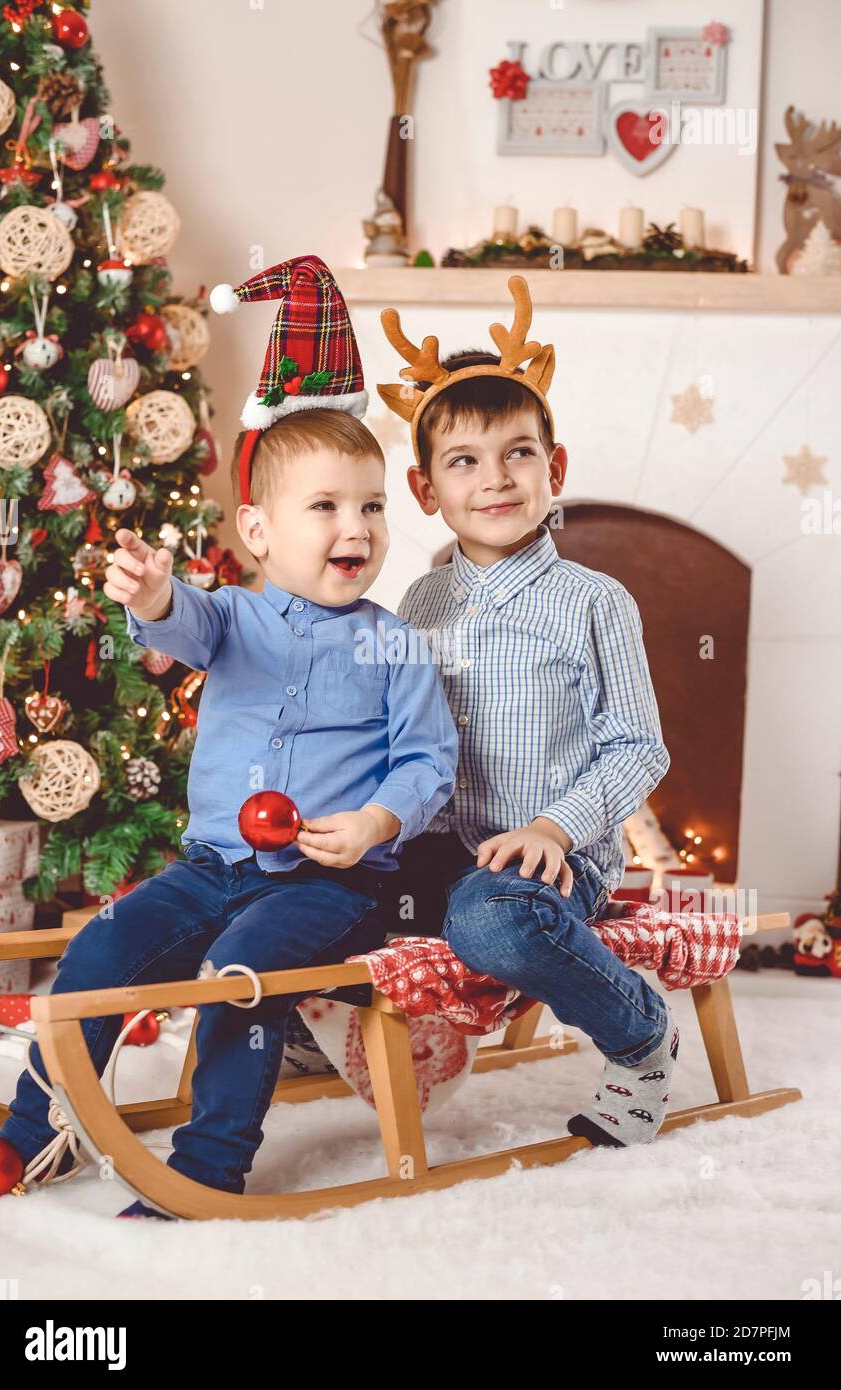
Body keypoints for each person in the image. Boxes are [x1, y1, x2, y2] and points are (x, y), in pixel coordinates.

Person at [0, 256, 456, 1217]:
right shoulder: (233, 616)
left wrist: (373, 823)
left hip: (330, 882)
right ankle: (39, 1135)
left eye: (369, 506)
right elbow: (179, 621)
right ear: (257, 527)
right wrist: (154, 593)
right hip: (210, 861)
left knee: (239, 979)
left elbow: (427, 760)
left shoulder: (394, 642)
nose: (354, 526)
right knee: (99, 954)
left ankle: (208, 1163)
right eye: (323, 506)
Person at [377, 275, 678, 1149]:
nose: (495, 479)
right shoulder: (419, 604)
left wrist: (553, 827)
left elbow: (637, 748)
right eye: (464, 461)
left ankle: (639, 1035)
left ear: (556, 468)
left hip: (551, 864)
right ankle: (304, 1027)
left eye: (517, 453)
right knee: (318, 889)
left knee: (490, 917)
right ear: (426, 488)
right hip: (437, 848)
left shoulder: (595, 601)